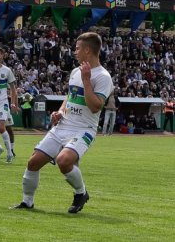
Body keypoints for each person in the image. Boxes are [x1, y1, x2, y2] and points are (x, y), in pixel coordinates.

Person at [12, 32, 112, 214]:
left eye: (77, 48)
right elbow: (70, 97)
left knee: (64, 161)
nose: (74, 51)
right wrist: (59, 112)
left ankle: (81, 193)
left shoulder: (103, 76)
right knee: (33, 162)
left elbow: (96, 106)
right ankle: (27, 202)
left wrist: (87, 81)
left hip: (83, 129)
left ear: (88, 50)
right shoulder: (76, 71)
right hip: (63, 126)